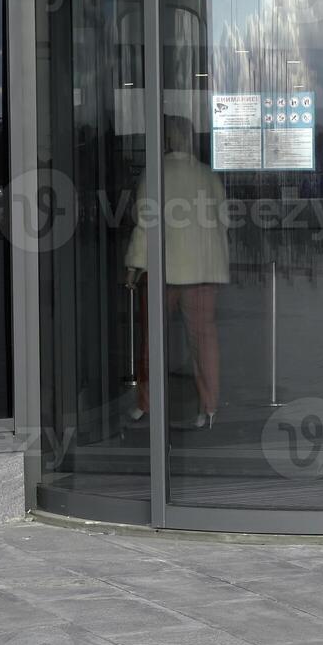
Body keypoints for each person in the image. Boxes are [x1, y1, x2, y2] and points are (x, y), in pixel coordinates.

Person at [125, 115, 230, 429]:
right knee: (204, 341)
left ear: (166, 140)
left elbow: (145, 225)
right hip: (201, 272)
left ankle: (147, 404)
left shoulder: (154, 174)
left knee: (152, 342)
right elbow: (221, 220)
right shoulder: (207, 175)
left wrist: (133, 267)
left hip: (162, 272)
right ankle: (209, 407)